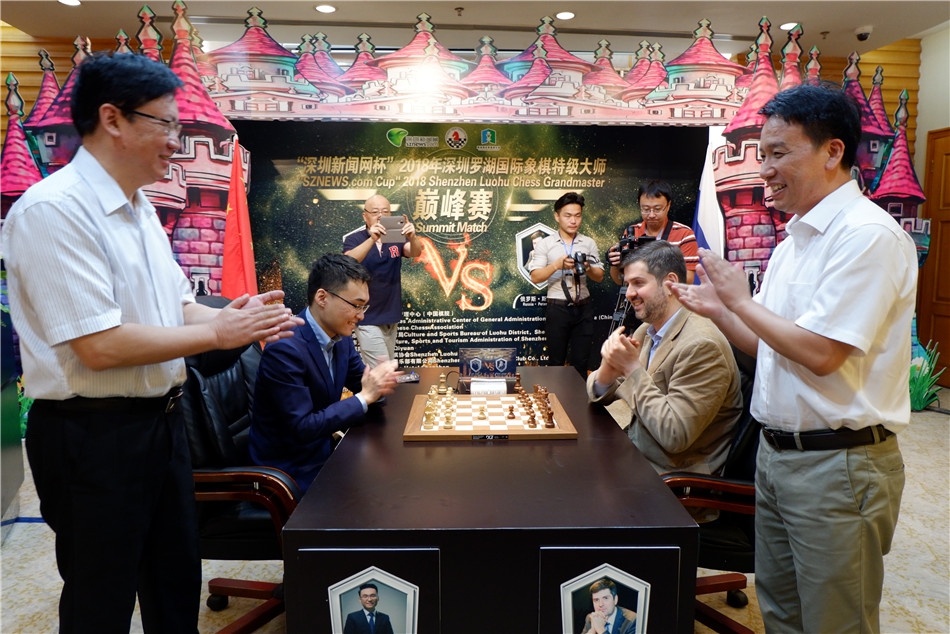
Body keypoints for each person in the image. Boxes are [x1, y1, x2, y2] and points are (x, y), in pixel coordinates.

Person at [0, 51, 302, 633]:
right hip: (91, 436)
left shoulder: (139, 209)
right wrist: (215, 332)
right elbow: (98, 345)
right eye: (166, 124)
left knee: (175, 583)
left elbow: (176, 306)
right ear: (112, 118)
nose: (176, 141)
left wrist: (232, 316)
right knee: (101, 597)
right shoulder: (54, 211)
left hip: (161, 425)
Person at [669, 84, 917, 633]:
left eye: (779, 153)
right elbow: (774, 347)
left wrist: (739, 302)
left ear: (833, 152)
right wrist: (720, 312)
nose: (765, 169)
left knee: (835, 622)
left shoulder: (867, 237)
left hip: (839, 464)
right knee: (781, 613)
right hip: (776, 456)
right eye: (762, 154)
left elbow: (823, 354)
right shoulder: (792, 244)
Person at [250, 253, 402, 493]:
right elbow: (302, 427)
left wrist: (380, 383)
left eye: (364, 306)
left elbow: (363, 384)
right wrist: (365, 396)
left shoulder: (340, 338)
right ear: (322, 297)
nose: (361, 315)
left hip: (324, 454)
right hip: (290, 472)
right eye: (356, 305)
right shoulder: (285, 348)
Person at [587, 240, 742, 475]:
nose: (629, 293)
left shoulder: (701, 345)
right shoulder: (647, 330)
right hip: (637, 453)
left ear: (670, 283)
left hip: (671, 477)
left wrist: (631, 369)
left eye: (638, 283)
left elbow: (674, 435)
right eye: (627, 284)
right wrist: (608, 370)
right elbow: (596, 392)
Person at [527, 192, 605, 377]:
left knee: (581, 362)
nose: (573, 221)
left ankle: (579, 396)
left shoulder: (588, 243)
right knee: (556, 361)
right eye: (568, 215)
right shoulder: (546, 244)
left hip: (583, 308)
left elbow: (600, 276)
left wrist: (587, 267)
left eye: (578, 215)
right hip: (557, 308)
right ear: (557, 216)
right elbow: (535, 277)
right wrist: (556, 265)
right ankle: (555, 395)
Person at [343, 194, 421, 367]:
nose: (380, 216)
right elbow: (349, 260)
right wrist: (373, 238)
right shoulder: (354, 239)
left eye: (385, 212)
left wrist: (413, 237)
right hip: (367, 316)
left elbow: (415, 252)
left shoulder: (395, 236)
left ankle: (374, 386)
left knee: (385, 368)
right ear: (365, 216)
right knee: (383, 369)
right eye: (375, 212)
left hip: (391, 314)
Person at [606, 179, 698, 286]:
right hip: (636, 295)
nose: (651, 215)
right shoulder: (632, 232)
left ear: (668, 205)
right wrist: (614, 263)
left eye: (657, 209)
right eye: (645, 209)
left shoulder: (684, 234)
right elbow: (620, 281)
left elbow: (687, 280)